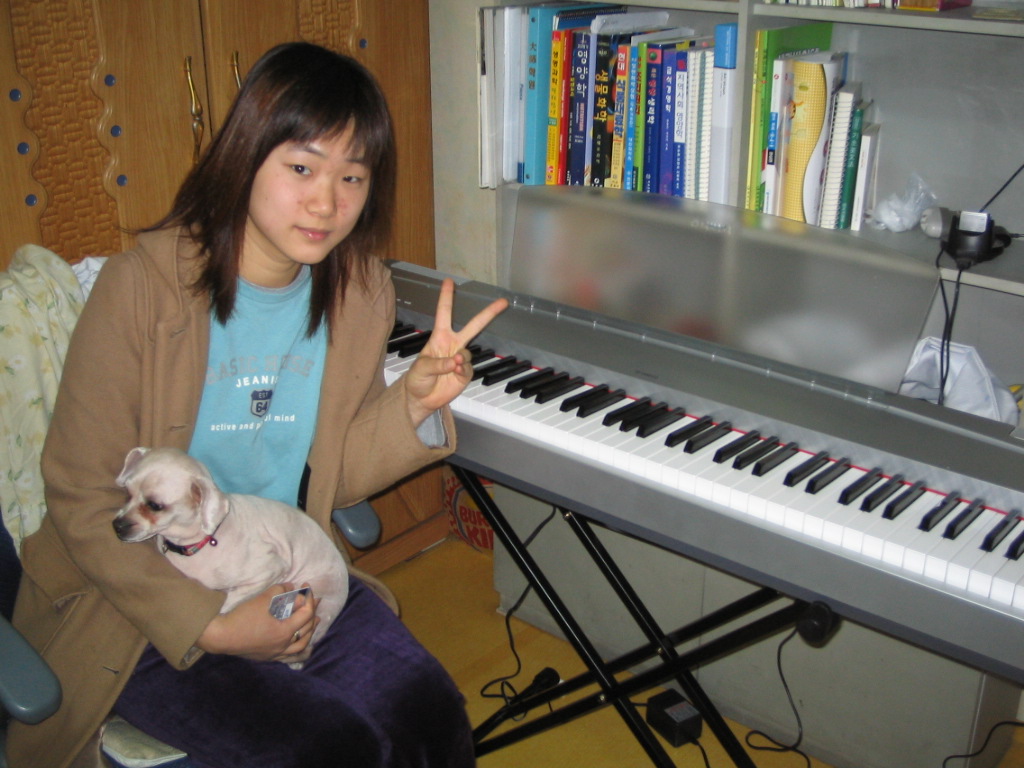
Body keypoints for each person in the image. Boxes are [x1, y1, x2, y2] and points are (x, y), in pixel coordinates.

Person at [10, 42, 507, 768]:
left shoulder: (359, 294)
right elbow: (83, 497)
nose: (327, 203)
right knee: (328, 748)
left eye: (352, 177)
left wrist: (412, 403)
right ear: (246, 158)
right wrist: (209, 627)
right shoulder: (140, 290)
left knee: (431, 719)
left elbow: (333, 473)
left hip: (281, 568)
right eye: (302, 168)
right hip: (140, 600)